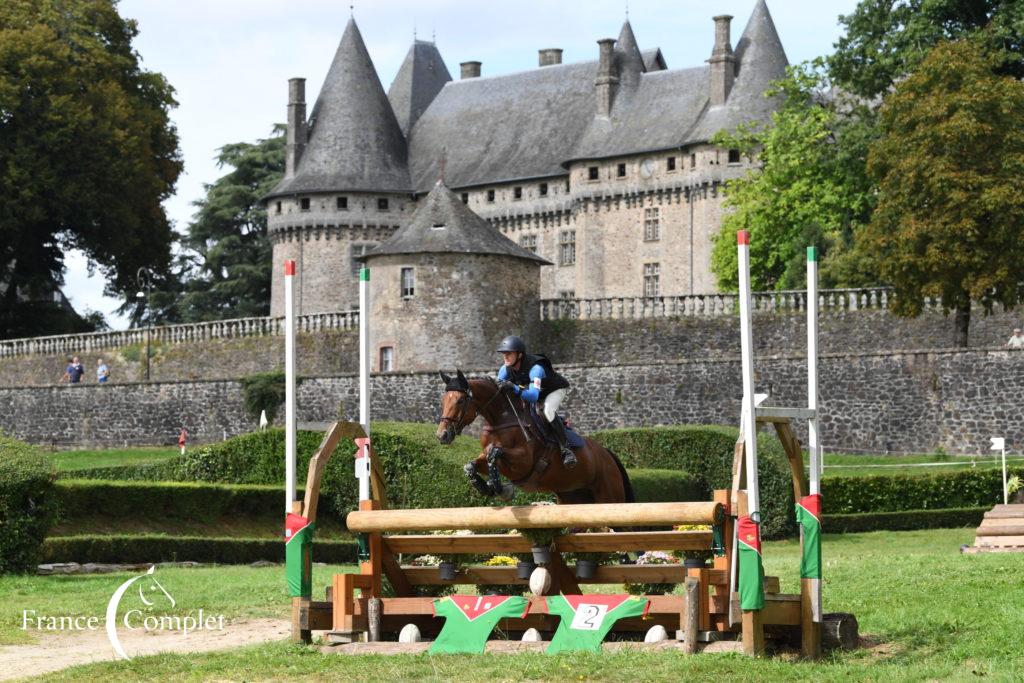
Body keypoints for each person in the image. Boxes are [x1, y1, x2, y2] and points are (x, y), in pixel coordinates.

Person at [495, 335, 577, 469]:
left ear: (520, 355)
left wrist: (514, 387)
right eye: (504, 354)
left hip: (554, 390)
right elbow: (498, 387)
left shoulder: (536, 368)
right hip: (536, 392)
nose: (505, 357)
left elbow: (533, 396)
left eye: (509, 354)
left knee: (547, 411)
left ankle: (566, 450)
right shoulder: (505, 369)